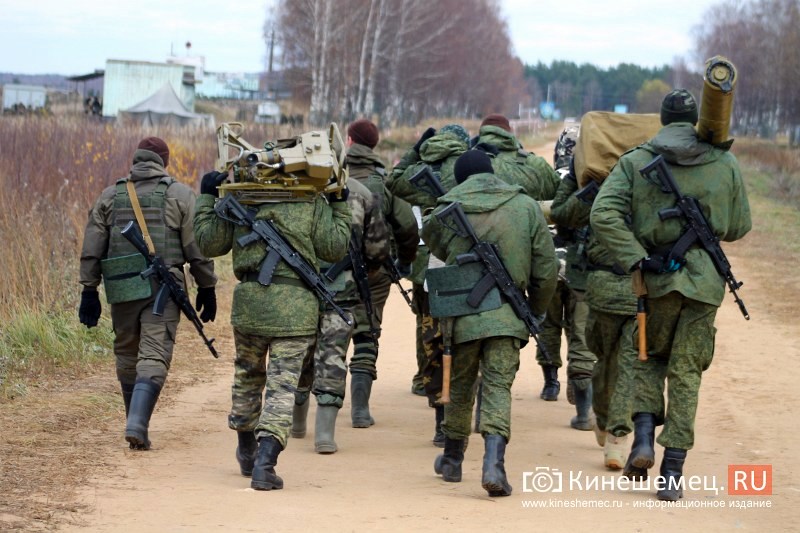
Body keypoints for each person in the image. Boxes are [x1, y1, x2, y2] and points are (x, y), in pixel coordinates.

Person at [590, 89, 752, 500]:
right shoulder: (724, 161)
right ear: (698, 119)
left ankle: (643, 437)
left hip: (656, 281)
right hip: (705, 286)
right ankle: (673, 473)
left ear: (661, 120)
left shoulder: (634, 160)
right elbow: (738, 227)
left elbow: (601, 214)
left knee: (646, 354)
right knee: (686, 372)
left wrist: (638, 258)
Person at [193, 163, 351, 491]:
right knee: (283, 385)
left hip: (250, 305)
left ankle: (246, 449)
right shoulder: (310, 200)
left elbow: (208, 243)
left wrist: (207, 197)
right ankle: (265, 463)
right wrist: (339, 204)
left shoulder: (242, 198)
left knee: (248, 375)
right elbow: (334, 247)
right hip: (296, 310)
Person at [422, 150, 558, 497]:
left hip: (462, 315)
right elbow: (545, 268)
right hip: (508, 317)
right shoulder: (525, 206)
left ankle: (452, 460)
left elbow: (434, 242)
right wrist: (537, 310)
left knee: (462, 385)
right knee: (497, 387)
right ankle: (493, 463)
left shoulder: (445, 208)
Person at [78, 136, 217, 450]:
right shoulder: (180, 195)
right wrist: (206, 286)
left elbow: (92, 247)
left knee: (127, 352)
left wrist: (89, 289)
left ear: (136, 159)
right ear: (164, 162)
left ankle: (134, 421)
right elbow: (197, 249)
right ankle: (138, 423)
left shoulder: (110, 196)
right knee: (154, 353)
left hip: (122, 286)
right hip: (162, 290)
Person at [291, 176, 390, 452]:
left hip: (298, 286)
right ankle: (324, 434)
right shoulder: (360, 193)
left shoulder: (292, 189)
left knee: (300, 349)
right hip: (342, 289)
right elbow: (377, 248)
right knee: (332, 354)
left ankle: (297, 424)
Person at [388, 124, 470, 444]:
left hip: (430, 269)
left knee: (434, 339)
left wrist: (415, 149)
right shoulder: (469, 168)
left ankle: (440, 417)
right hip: (466, 268)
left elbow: (394, 181)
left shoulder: (423, 171)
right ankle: (460, 412)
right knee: (465, 343)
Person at [473, 114, 564, 399]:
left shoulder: (467, 162)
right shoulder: (534, 164)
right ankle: (547, 380)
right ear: (510, 134)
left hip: (472, 261)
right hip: (521, 258)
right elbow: (559, 202)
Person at [339, 118, 418, 428]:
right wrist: (405, 261)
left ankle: (314, 406)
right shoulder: (381, 181)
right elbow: (407, 225)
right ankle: (360, 410)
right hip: (375, 271)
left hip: (330, 272)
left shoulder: (329, 176)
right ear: (373, 145)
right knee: (367, 334)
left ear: (348, 142)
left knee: (329, 332)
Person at [548, 158, 597, 427]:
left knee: (560, 329)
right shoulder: (627, 176)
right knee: (587, 338)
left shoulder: (571, 182)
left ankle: (578, 408)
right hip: (612, 276)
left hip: (575, 271)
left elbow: (560, 214)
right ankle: (596, 413)